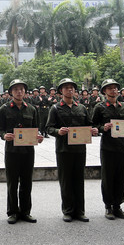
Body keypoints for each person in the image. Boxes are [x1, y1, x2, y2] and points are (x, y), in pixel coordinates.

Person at [45, 78, 97, 222]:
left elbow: (89, 125)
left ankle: (80, 211)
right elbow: (48, 128)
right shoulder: (55, 108)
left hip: (80, 149)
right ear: (61, 91)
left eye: (72, 88)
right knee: (66, 180)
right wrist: (58, 131)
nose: (69, 90)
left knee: (79, 180)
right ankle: (67, 210)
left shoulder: (81, 108)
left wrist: (93, 130)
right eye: (66, 88)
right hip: (63, 150)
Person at [0, 79, 44, 224]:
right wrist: (4, 135)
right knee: (12, 182)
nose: (19, 92)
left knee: (26, 182)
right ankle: (13, 212)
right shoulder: (4, 109)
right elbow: (0, 129)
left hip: (28, 151)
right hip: (12, 151)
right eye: (16, 89)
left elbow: (36, 128)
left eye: (22, 89)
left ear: (25, 92)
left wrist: (39, 137)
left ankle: (25, 212)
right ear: (11, 92)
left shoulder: (31, 109)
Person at [91, 78, 124, 220]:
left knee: (121, 177)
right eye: (110, 88)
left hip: (123, 146)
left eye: (115, 88)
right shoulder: (99, 107)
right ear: (104, 91)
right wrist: (102, 128)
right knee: (108, 177)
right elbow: (93, 126)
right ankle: (108, 207)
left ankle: (118, 206)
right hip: (108, 147)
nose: (114, 90)